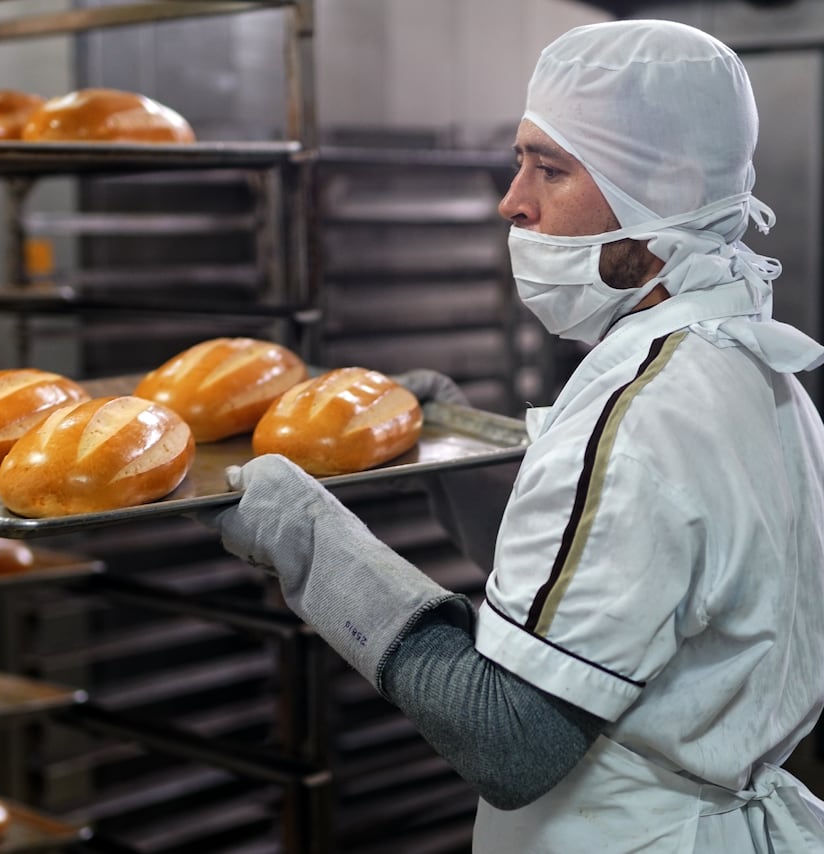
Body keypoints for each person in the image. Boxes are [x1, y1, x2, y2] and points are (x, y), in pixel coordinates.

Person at [203, 19, 824, 853]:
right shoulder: (747, 370)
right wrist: (457, 469)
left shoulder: (641, 414)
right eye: (518, 161)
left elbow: (510, 738)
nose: (512, 200)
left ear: (665, 191)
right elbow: (623, 583)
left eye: (550, 168)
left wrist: (311, 545)